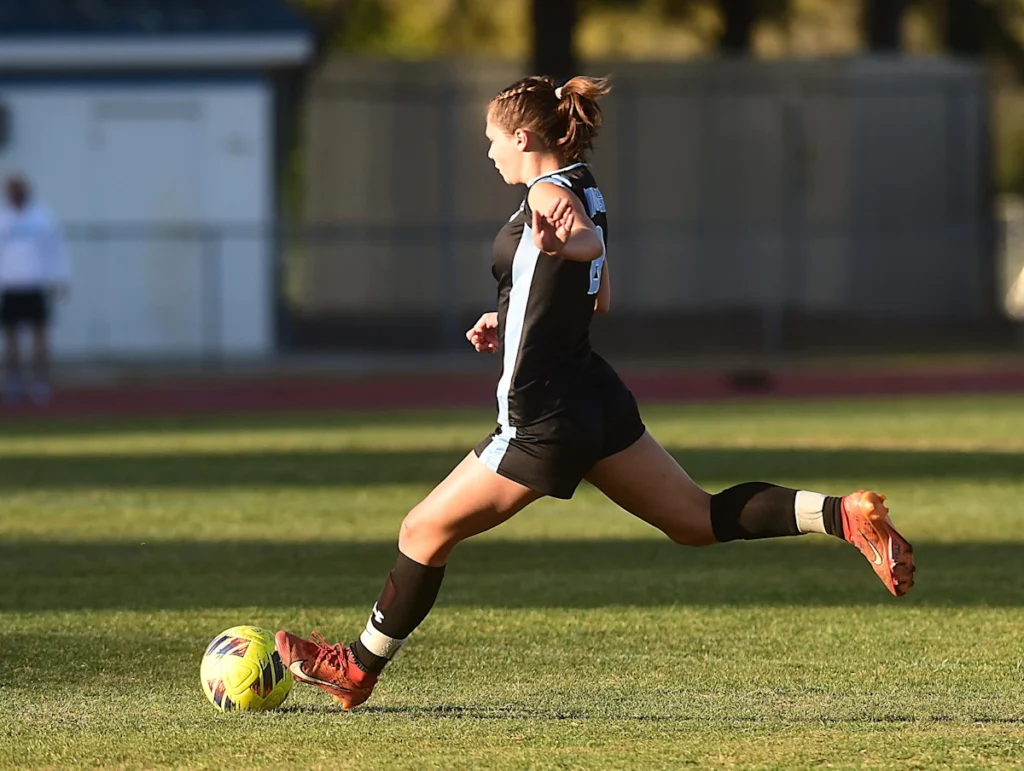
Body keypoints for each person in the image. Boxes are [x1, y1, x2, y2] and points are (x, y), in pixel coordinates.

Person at [275, 75, 916, 710]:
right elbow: (596, 295)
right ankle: (844, 515)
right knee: (697, 521)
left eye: (492, 140)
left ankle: (353, 671)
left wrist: (565, 242)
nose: (489, 153)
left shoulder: (552, 197)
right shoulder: (582, 182)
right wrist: (514, 314)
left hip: (544, 416)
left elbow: (583, 242)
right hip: (590, 392)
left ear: (523, 136)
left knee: (421, 531)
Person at [0, 175, 70, 404]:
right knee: (11, 339)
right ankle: (14, 382)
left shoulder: (43, 217)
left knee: (40, 338)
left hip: (35, 285)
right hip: (11, 287)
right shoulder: (3, 218)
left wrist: (61, 278)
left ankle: (41, 382)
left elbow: (57, 251)